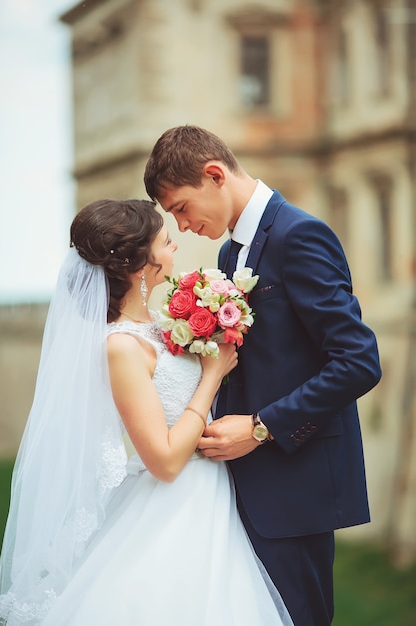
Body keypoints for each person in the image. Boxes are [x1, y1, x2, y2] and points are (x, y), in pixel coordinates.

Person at [0, 198, 294, 626]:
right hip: (178, 502)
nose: (174, 246)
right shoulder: (120, 347)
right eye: (166, 241)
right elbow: (165, 461)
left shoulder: (159, 326)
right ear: (141, 265)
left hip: (213, 493)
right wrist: (212, 375)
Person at [144, 125, 382, 626]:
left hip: (297, 489)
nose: (182, 227)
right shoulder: (231, 253)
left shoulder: (301, 235)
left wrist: (260, 426)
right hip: (246, 485)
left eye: (182, 208)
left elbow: (358, 359)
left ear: (214, 175)